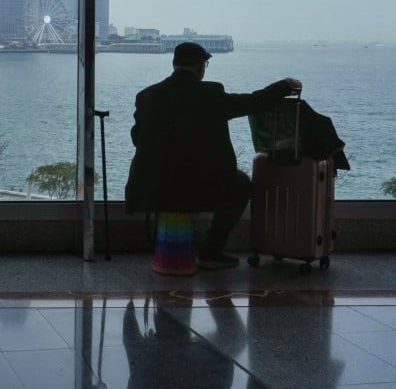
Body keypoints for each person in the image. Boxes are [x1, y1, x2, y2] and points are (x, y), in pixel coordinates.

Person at [125, 42, 301, 270]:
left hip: (150, 188)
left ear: (174, 64)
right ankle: (211, 250)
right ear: (201, 66)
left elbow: (137, 139)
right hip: (197, 190)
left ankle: (180, 252)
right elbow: (253, 102)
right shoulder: (211, 93)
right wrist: (285, 85)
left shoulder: (147, 96)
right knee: (240, 183)